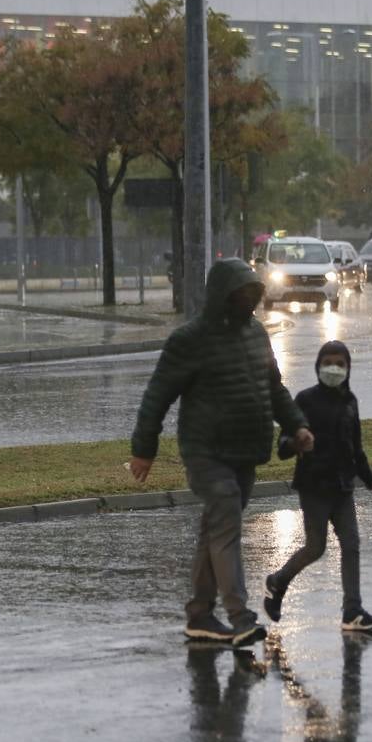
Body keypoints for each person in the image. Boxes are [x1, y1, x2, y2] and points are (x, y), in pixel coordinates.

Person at [131, 259, 313, 648]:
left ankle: (200, 615)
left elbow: (274, 389)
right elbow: (157, 396)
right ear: (222, 295)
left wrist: (297, 426)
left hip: (246, 450)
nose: (248, 299)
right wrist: (143, 451)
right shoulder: (190, 340)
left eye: (253, 292)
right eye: (241, 293)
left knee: (215, 531)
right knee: (226, 518)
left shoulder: (256, 334)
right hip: (206, 452)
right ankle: (240, 617)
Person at [263, 340, 372, 632]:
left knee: (351, 545)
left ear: (348, 369)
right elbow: (281, 448)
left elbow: (356, 445)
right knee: (315, 547)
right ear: (318, 367)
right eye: (328, 363)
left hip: (343, 488)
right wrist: (295, 442)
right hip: (314, 487)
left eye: (340, 364)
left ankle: (352, 610)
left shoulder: (350, 401)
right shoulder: (305, 400)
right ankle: (277, 582)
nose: (334, 369)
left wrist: (367, 477)